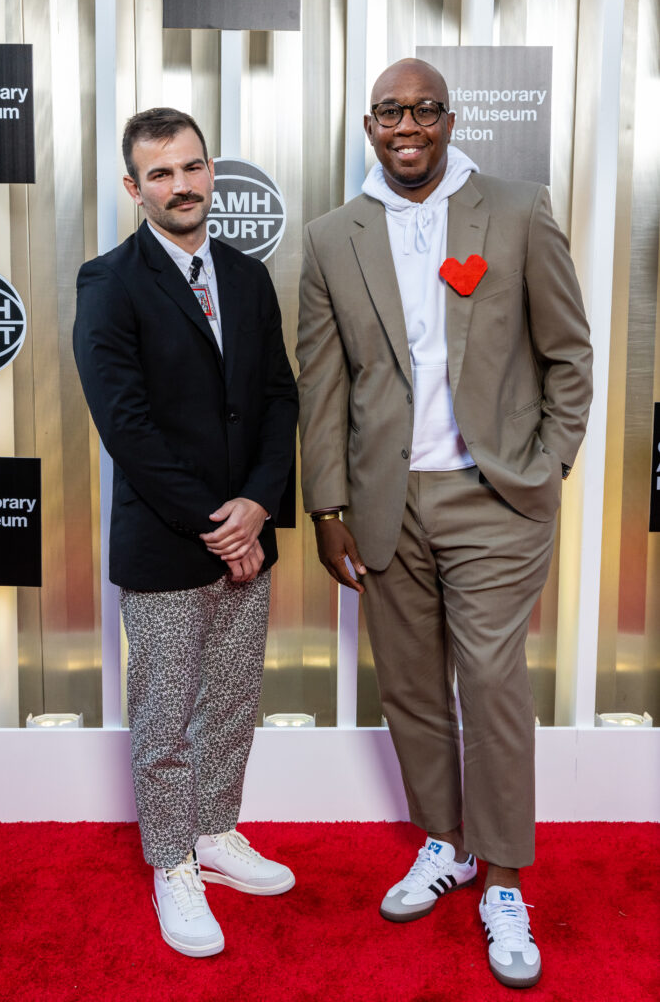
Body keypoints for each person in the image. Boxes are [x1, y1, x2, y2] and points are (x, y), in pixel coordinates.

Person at [296, 59, 592, 989]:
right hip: (387, 502)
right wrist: (327, 505)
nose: (407, 125)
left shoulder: (514, 208)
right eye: (390, 111)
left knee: (493, 685)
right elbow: (323, 383)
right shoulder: (330, 236)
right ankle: (445, 843)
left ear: (451, 119)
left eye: (424, 110)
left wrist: (545, 465)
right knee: (413, 691)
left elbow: (569, 355)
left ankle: (504, 877)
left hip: (493, 496)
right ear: (371, 124)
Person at [74, 108, 298, 958]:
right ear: (135, 189)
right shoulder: (109, 281)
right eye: (160, 174)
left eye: (192, 168)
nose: (180, 185)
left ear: (213, 173)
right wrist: (219, 524)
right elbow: (126, 426)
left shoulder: (247, 276)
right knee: (166, 715)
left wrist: (257, 505)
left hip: (247, 530)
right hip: (172, 544)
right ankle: (172, 863)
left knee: (232, 703)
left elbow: (278, 398)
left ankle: (215, 834)